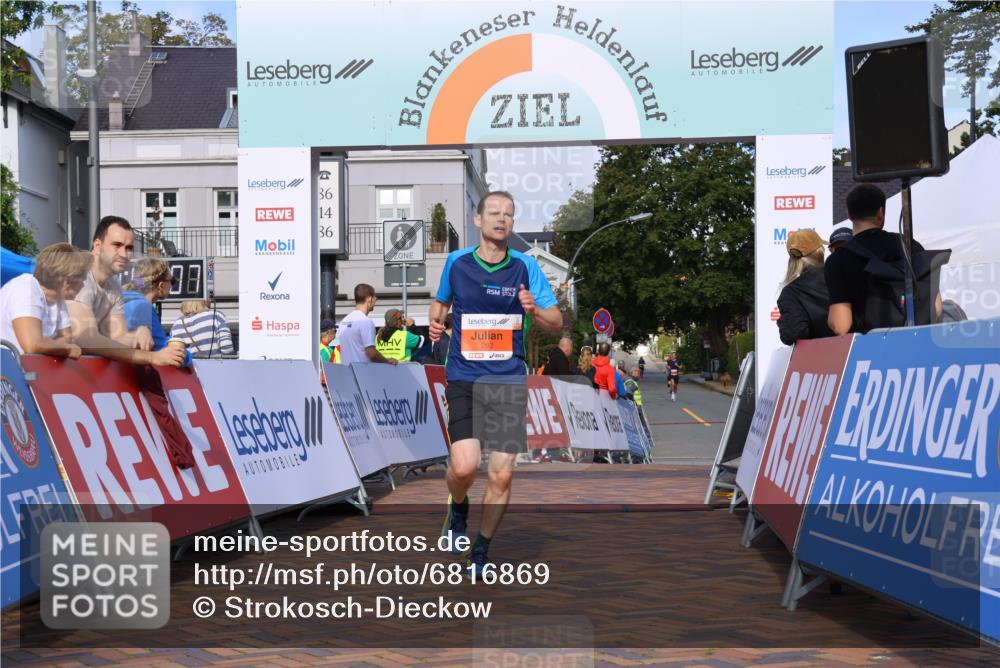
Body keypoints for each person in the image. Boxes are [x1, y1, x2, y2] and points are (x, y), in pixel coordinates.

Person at [430, 191, 562, 578]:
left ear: (512, 222)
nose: (500, 220)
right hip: (465, 377)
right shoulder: (456, 262)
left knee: (502, 473)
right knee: (465, 466)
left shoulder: (525, 267)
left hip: (507, 380)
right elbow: (440, 304)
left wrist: (533, 308)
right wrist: (435, 322)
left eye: (508, 214)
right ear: (477, 219)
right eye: (493, 213)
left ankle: (481, 551)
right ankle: (458, 505)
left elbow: (556, 320)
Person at [826, 184, 943, 334]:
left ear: (849, 214)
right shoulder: (910, 245)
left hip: (870, 350)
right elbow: (937, 307)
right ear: (881, 212)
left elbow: (841, 325)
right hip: (917, 342)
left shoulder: (838, 259)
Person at [67, 216, 183, 367]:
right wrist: (150, 357)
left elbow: (117, 336)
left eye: (129, 248)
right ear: (97, 246)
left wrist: (138, 333)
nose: (124, 254)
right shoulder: (79, 274)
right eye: (117, 245)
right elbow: (86, 339)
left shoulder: (113, 285)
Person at [122, 258, 196, 469]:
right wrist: (189, 357)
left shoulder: (119, 300)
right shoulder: (143, 306)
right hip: (137, 373)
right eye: (171, 280)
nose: (172, 284)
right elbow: (164, 350)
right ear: (161, 285)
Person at [0, 243, 91, 358]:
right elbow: (32, 345)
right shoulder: (26, 287)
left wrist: (48, 343)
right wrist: (66, 348)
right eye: (82, 280)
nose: (83, 285)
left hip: (23, 370)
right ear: (67, 282)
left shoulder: (58, 300)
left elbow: (68, 339)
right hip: (8, 370)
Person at [776, 229, 834, 345]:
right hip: (855, 351)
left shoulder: (791, 292)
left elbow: (792, 333)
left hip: (820, 357)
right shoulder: (842, 275)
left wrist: (781, 321)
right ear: (819, 252)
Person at [338, 284, 398, 366]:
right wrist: (387, 361)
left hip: (347, 373)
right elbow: (371, 353)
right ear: (369, 299)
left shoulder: (343, 322)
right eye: (374, 297)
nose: (376, 300)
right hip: (362, 374)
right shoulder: (365, 321)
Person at [170, 300, 235, 358]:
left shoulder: (176, 324)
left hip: (190, 369)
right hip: (215, 367)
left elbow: (175, 354)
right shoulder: (216, 316)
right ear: (205, 300)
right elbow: (226, 347)